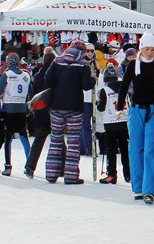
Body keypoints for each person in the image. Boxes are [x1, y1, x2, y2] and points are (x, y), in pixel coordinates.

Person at [117, 33, 154, 203]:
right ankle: (137, 187)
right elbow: (124, 86)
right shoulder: (134, 65)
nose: (150, 52)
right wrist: (119, 107)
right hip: (136, 111)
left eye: (153, 49)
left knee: (151, 150)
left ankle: (149, 190)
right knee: (135, 149)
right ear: (141, 49)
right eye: (147, 49)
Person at [41, 39, 94, 185]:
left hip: (56, 106)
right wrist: (93, 80)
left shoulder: (58, 61)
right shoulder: (83, 64)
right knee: (73, 141)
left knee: (55, 140)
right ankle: (71, 176)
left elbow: (48, 79)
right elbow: (86, 86)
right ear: (82, 52)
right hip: (75, 108)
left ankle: (51, 174)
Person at [0, 52, 32, 173]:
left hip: (9, 109)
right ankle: (29, 164)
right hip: (21, 109)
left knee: (8, 138)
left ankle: (8, 166)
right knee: (24, 136)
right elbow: (30, 93)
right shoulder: (26, 75)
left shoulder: (6, 74)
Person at [23, 47, 55, 178]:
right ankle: (63, 168)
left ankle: (30, 166)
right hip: (53, 111)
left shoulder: (37, 76)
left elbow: (33, 93)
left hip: (40, 111)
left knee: (39, 140)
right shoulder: (55, 75)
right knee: (58, 141)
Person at [96, 62, 130, 184]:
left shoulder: (105, 90)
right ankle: (128, 174)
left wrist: (98, 104)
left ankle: (112, 174)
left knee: (111, 150)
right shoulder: (123, 87)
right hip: (123, 121)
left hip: (110, 123)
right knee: (125, 148)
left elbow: (101, 108)